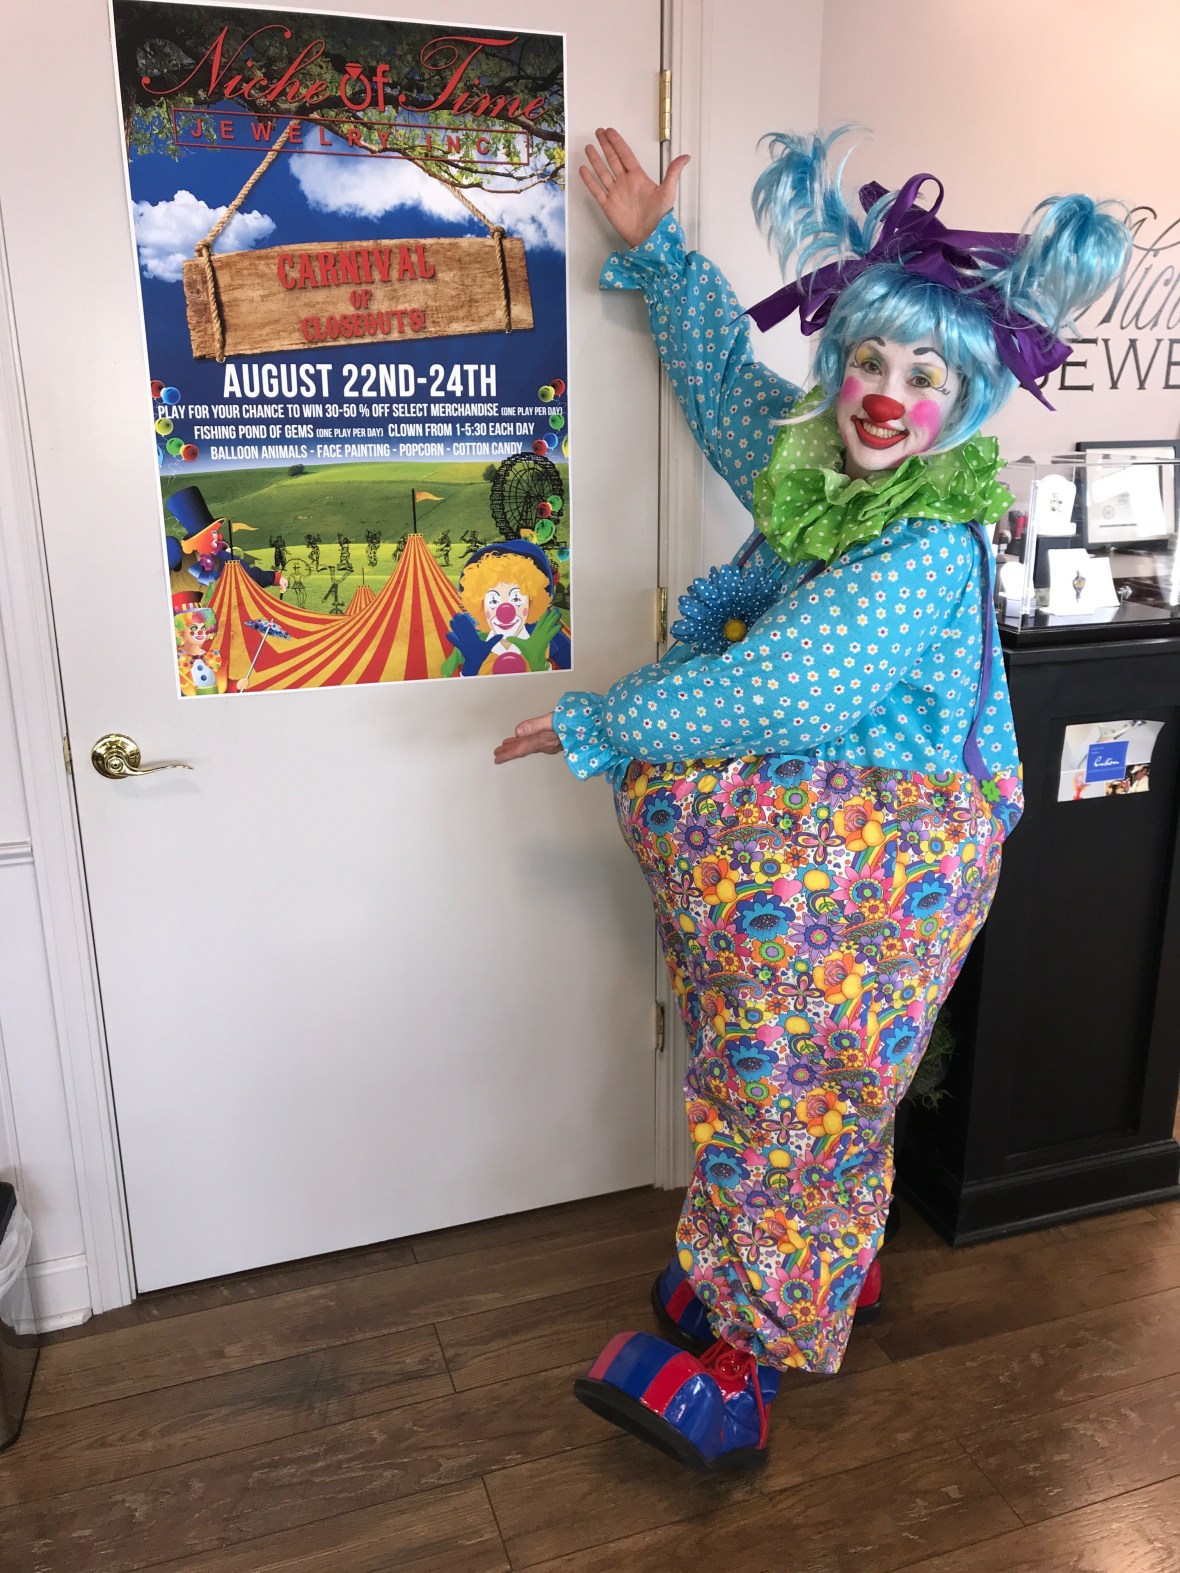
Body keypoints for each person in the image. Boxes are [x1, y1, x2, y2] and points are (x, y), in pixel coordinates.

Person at [495, 126, 1129, 1474]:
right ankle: (812, 1274)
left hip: (879, 869)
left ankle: (742, 1368)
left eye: (925, 375)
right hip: (822, 865)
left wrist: (609, 722)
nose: (886, 396)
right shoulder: (829, 479)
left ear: (965, 398)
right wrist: (663, 253)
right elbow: (735, 396)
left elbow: (787, 689)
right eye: (869, 360)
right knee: (798, 1085)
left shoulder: (921, 545)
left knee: (792, 1094)